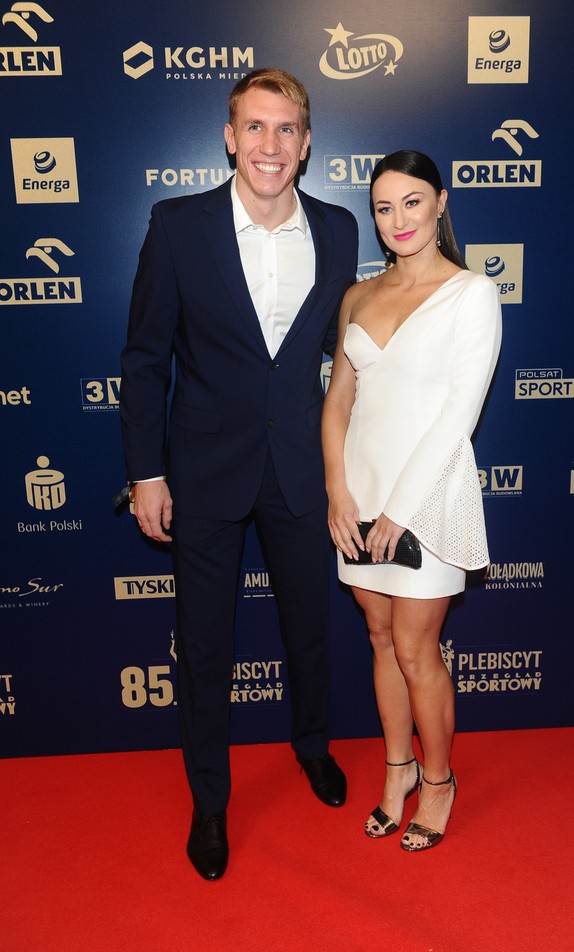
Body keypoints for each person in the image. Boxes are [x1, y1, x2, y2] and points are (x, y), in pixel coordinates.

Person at [120, 68, 358, 880]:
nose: (270, 145)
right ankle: (210, 800)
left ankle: (312, 745)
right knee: (205, 646)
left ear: (306, 142)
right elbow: (145, 359)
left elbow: (343, 357)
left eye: (286, 129)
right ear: (229, 138)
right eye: (255, 127)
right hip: (203, 469)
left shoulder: (337, 229)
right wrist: (147, 473)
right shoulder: (177, 225)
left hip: (298, 468)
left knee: (309, 629)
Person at [322, 150, 501, 851]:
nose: (398, 219)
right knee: (377, 636)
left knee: (414, 647)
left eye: (412, 202)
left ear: (440, 202)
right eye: (383, 207)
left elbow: (458, 415)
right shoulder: (358, 296)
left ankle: (438, 781)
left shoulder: (471, 293)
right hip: (360, 491)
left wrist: (397, 512)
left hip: (425, 497)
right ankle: (396, 770)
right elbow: (339, 400)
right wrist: (337, 490)